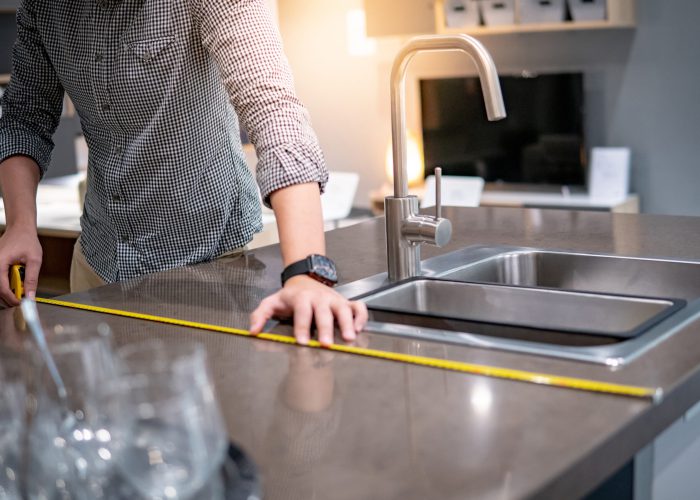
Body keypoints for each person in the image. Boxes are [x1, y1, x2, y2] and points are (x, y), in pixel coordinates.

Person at [0, 0, 367, 344]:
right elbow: (23, 120)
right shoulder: (45, 6)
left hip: (213, 268)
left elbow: (273, 110)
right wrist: (19, 225)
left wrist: (307, 273)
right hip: (98, 264)